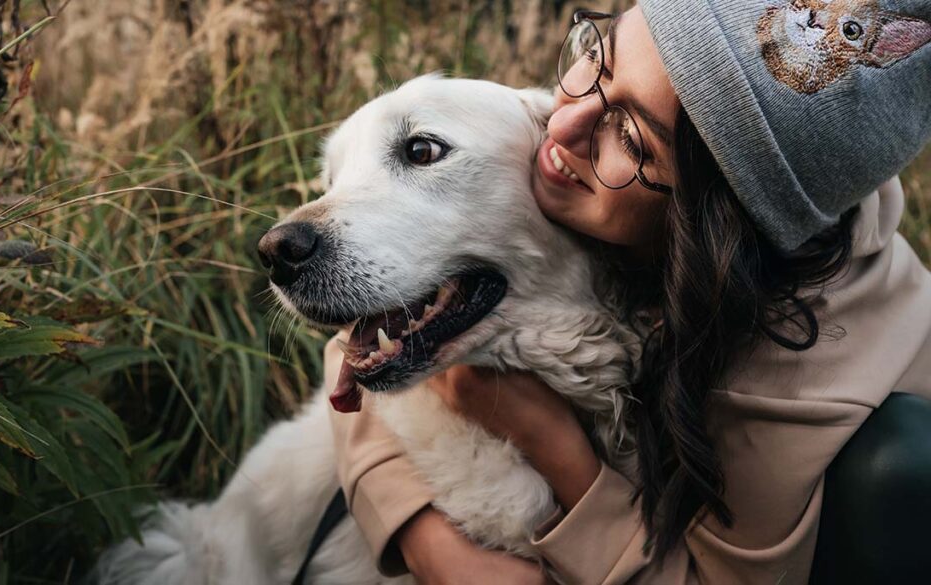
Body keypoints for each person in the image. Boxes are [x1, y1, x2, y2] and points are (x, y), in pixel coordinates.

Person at [326, 1, 931, 583]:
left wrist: (555, 447)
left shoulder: (800, 386)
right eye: (598, 57)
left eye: (632, 138)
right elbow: (372, 313)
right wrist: (419, 528)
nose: (560, 128)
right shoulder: (602, 177)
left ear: (706, 226)